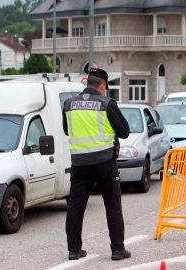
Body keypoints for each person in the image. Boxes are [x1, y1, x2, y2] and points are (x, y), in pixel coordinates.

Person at [62, 68, 131, 261]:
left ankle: (74, 250)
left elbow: (67, 130)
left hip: (79, 164)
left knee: (75, 207)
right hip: (105, 162)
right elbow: (124, 131)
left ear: (87, 83)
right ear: (102, 85)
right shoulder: (107, 103)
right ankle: (118, 250)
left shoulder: (68, 104)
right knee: (112, 206)